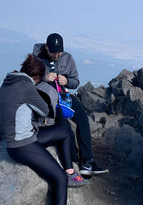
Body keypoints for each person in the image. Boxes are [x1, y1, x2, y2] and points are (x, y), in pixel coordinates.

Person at [0, 54, 88, 205]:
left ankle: (70, 171)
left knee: (64, 131)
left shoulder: (9, 81)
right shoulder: (27, 87)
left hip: (26, 135)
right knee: (58, 179)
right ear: (37, 78)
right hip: (21, 145)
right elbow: (46, 111)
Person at [33, 33, 109, 178]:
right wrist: (43, 78)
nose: (57, 55)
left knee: (82, 119)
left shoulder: (67, 58)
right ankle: (74, 162)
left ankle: (88, 162)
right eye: (53, 52)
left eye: (59, 52)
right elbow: (28, 80)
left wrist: (67, 81)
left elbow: (76, 82)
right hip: (47, 99)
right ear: (46, 47)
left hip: (64, 97)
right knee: (64, 126)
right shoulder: (35, 59)